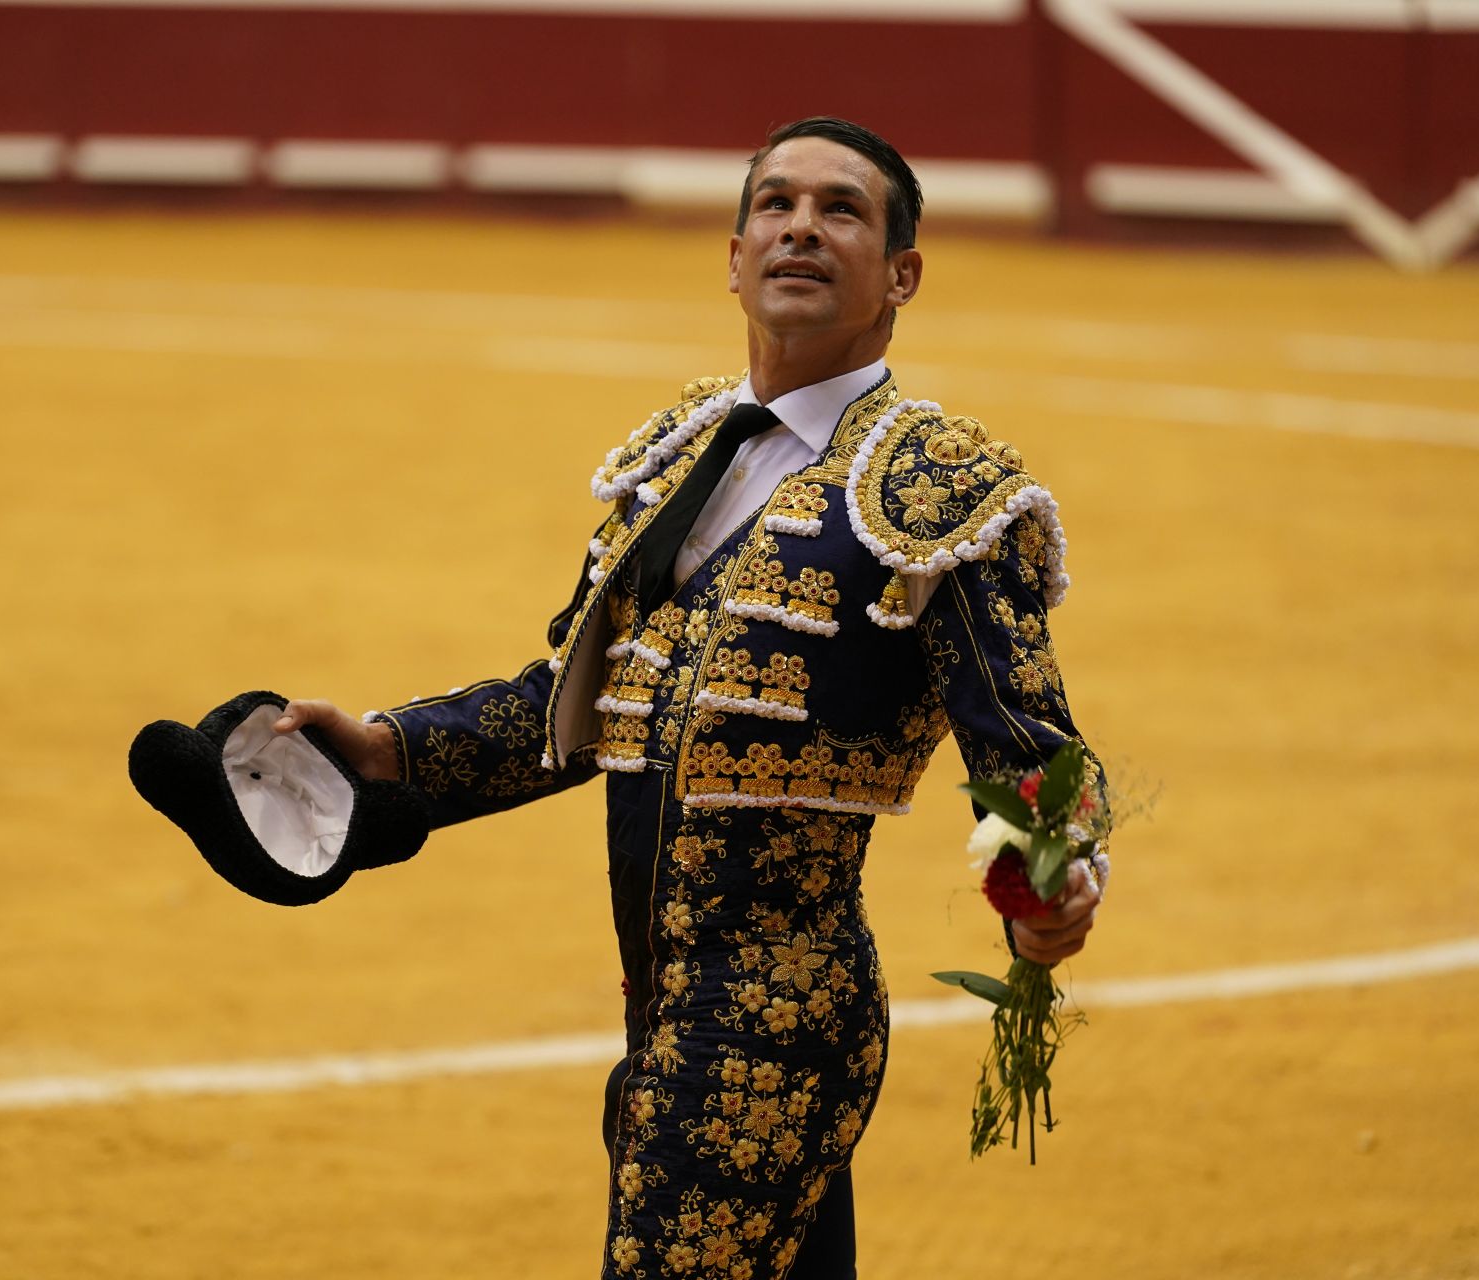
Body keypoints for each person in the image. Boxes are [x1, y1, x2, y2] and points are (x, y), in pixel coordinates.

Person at [272, 116, 1106, 1280]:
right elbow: (581, 701)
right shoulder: (680, 454)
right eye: (775, 204)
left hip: (779, 1015)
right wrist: (387, 747)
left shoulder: (939, 488)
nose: (801, 226)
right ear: (734, 254)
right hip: (663, 1003)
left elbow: (1032, 750)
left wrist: (1047, 887)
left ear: (902, 274)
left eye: (842, 210)